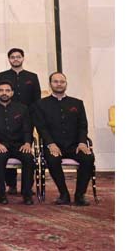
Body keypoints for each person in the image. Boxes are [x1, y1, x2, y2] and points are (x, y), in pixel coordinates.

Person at [32, 72, 95, 206]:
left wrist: (82, 142)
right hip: (54, 145)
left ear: (66, 84)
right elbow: (42, 128)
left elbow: (82, 125)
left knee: (88, 158)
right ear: (50, 84)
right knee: (52, 159)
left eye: (62, 82)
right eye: (55, 82)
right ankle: (63, 194)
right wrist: (51, 144)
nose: (59, 84)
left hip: (74, 145)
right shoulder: (41, 104)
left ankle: (80, 195)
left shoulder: (77, 103)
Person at [0, 81, 35, 205]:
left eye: (7, 90)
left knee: (29, 158)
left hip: (19, 145)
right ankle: (1, 193)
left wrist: (27, 143)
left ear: (12, 93)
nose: (4, 93)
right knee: (0, 158)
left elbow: (27, 129)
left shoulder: (22, 108)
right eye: (1, 90)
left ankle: (26, 193)